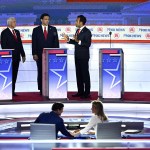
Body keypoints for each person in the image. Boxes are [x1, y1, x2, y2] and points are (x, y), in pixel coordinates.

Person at [62, 15, 92, 99]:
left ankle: (87, 93)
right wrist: (68, 40)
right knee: (78, 74)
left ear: (81, 22)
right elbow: (76, 42)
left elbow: (87, 44)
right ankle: (80, 91)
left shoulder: (87, 32)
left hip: (84, 56)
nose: (75, 22)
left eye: (76, 21)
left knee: (85, 75)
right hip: (77, 56)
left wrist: (78, 41)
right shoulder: (77, 31)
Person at [32, 13, 59, 95]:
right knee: (40, 71)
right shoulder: (36, 30)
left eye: (48, 19)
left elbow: (56, 43)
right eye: (45, 19)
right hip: (39, 55)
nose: (47, 20)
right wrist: (34, 53)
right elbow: (34, 43)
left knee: (51, 72)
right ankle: (41, 89)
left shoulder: (53, 29)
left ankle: (51, 87)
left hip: (51, 55)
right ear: (41, 20)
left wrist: (56, 53)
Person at [1, 17, 26, 96]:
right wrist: (7, 55)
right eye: (14, 22)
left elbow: (20, 44)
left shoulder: (17, 32)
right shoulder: (4, 32)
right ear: (10, 23)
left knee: (15, 74)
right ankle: (7, 91)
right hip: (9, 57)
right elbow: (3, 45)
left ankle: (12, 91)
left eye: (15, 21)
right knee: (9, 75)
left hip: (16, 57)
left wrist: (23, 54)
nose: (15, 23)